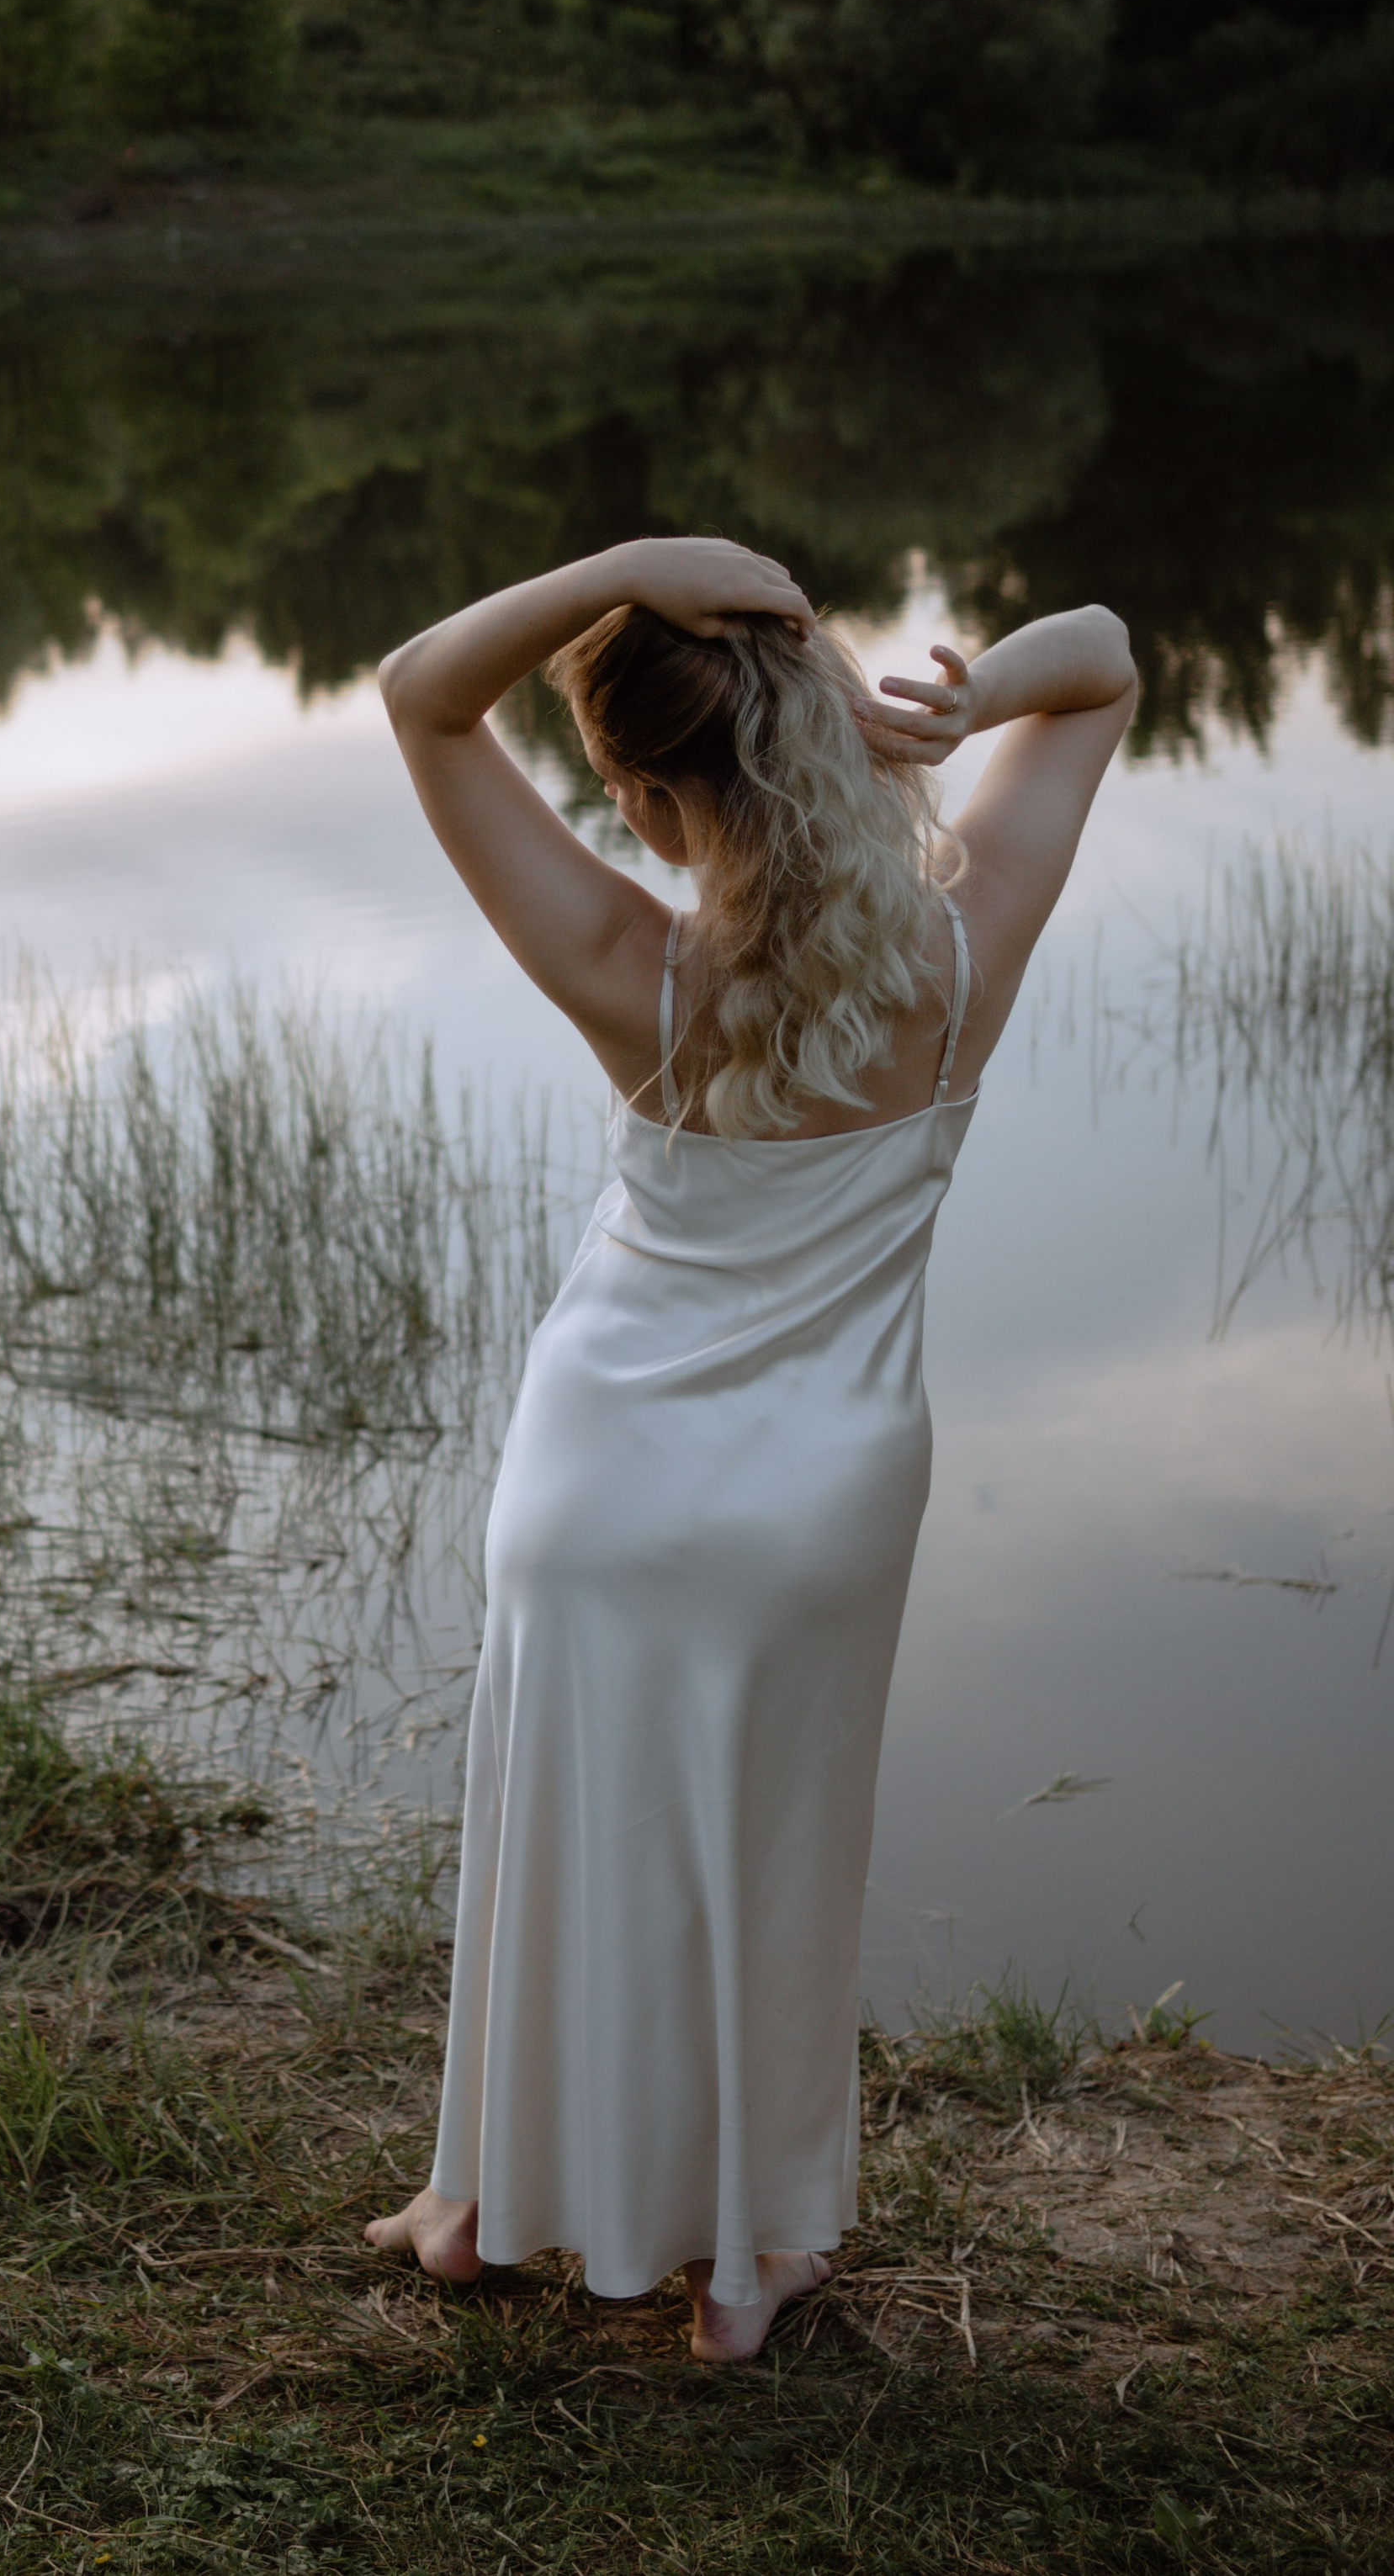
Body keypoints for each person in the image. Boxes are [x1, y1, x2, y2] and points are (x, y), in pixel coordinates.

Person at [363, 537, 1137, 2362]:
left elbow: (419, 689)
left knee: (554, 1825)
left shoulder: (627, 961)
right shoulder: (954, 952)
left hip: (595, 1476)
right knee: (770, 1860)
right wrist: (956, 709)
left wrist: (626, 565)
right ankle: (741, 2269)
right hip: (817, 1493)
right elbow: (1099, 658)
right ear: (812, 737)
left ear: (636, 795)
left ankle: (474, 2205)